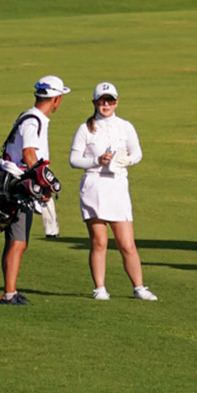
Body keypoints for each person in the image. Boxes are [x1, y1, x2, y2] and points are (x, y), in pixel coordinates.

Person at [69, 82, 157, 302]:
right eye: (102, 100)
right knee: (99, 242)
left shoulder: (125, 126)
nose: (106, 105)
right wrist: (97, 160)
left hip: (117, 186)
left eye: (110, 100)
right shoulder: (85, 128)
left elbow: (137, 153)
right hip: (94, 186)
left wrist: (125, 160)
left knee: (126, 243)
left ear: (116, 102)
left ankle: (139, 287)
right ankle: (99, 288)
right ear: (95, 102)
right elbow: (74, 159)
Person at [0, 75, 69, 304]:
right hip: (18, 187)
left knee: (15, 241)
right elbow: (29, 154)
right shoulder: (34, 121)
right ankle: (10, 294)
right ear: (56, 99)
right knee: (18, 242)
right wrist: (43, 183)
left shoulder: (31, 117)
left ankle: (10, 290)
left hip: (13, 183)